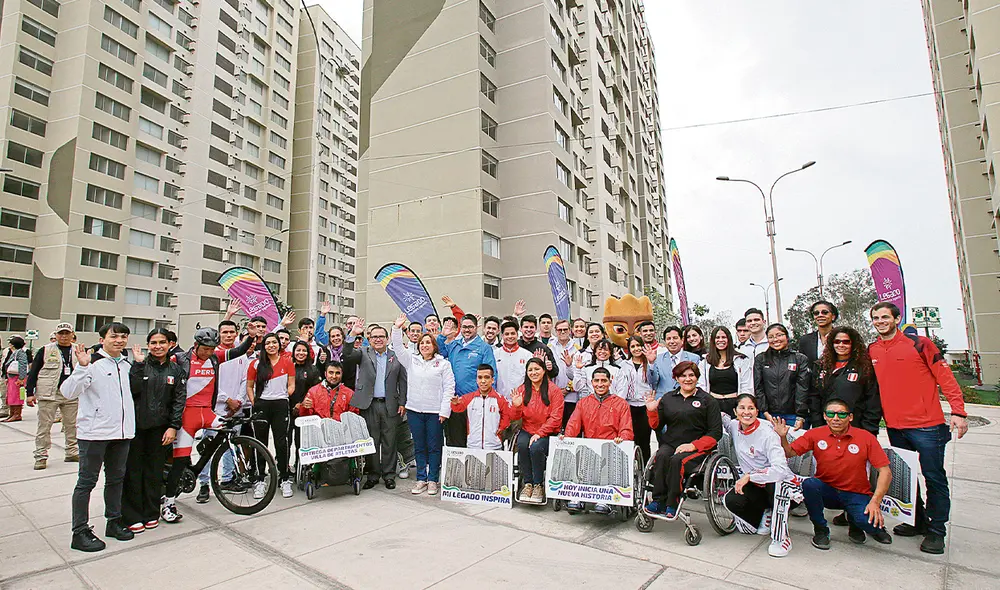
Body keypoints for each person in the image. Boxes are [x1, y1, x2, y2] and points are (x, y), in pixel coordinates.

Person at [868, 302, 967, 554]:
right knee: (907, 479)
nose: (880, 321)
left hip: (927, 427)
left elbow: (945, 377)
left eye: (884, 317)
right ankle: (918, 521)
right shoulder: (873, 349)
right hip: (895, 426)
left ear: (897, 318)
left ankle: (937, 531)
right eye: (875, 318)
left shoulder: (920, 344)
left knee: (934, 478)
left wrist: (957, 411)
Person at [773, 399, 893, 549]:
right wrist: (783, 437)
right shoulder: (815, 434)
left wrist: (875, 501)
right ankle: (821, 530)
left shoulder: (866, 437)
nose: (836, 418)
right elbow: (790, 453)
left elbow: (885, 471)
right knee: (810, 484)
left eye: (841, 414)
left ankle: (856, 524)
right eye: (831, 413)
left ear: (850, 417)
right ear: (825, 416)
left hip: (856, 493)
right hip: (828, 491)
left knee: (870, 524)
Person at [163, 327, 253, 522]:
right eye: (205, 349)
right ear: (196, 345)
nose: (209, 353)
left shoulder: (214, 359)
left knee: (228, 429)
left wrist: (251, 336)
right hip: (186, 416)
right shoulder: (180, 359)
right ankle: (168, 503)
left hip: (207, 412)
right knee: (179, 462)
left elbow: (238, 351)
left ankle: (207, 467)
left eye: (212, 349)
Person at [61, 322, 135, 552]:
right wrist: (82, 367)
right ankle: (80, 531)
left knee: (116, 479)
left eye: (123, 336)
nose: (119, 340)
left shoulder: (126, 364)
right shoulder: (92, 364)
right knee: (86, 482)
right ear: (102, 339)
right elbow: (68, 392)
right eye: (114, 336)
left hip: (121, 433)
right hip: (94, 434)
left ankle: (113, 521)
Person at [721, 394, 799, 557]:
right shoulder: (734, 426)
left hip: (783, 487)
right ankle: (767, 512)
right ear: (735, 411)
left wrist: (751, 476)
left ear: (757, 411)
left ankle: (781, 538)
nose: (746, 412)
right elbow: (720, 416)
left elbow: (780, 470)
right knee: (731, 500)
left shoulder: (767, 433)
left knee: (777, 486)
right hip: (757, 487)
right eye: (742, 408)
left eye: (751, 408)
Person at [123, 330, 185, 534]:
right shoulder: (139, 366)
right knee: (133, 472)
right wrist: (139, 365)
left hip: (161, 429)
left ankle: (151, 513)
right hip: (137, 428)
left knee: (154, 472)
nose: (157, 346)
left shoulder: (176, 370)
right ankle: (132, 515)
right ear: (147, 344)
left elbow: (178, 401)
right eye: (153, 342)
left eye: (162, 342)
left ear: (170, 344)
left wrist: (173, 427)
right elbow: (132, 390)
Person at [644, 361, 722, 517]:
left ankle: (672, 502)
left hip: (698, 447)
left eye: (691, 375)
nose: (688, 379)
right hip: (672, 443)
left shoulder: (708, 400)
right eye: (683, 376)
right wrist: (651, 411)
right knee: (661, 456)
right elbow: (657, 426)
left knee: (676, 461)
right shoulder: (668, 398)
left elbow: (715, 433)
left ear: (697, 377)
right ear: (676, 378)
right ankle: (658, 500)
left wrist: (693, 446)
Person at [391, 314, 454, 495]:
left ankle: (433, 479)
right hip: (414, 411)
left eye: (428, 342)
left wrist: (444, 411)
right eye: (422, 343)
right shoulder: (412, 360)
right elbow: (397, 348)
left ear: (434, 346)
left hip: (435, 412)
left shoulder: (443, 364)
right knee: (419, 446)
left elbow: (449, 388)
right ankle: (421, 478)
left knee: (434, 446)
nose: (425, 345)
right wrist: (397, 329)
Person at [344, 325, 408, 490]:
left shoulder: (396, 356)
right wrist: (352, 334)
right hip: (369, 405)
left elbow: (403, 381)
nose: (378, 339)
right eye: (374, 337)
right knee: (372, 441)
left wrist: (402, 402)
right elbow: (347, 354)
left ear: (387, 339)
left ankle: (388, 475)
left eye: (381, 336)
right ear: (369, 339)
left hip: (390, 405)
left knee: (389, 442)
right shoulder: (363, 353)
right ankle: (373, 475)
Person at [562, 367, 634, 513]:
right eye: (596, 381)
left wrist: (623, 439)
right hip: (589, 445)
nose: (600, 384)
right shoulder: (583, 403)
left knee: (609, 460)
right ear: (591, 382)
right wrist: (566, 437)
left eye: (604, 381)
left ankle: (605, 497)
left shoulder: (621, 404)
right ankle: (579, 495)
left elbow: (626, 428)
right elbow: (573, 424)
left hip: (611, 446)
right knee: (578, 455)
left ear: (610, 381)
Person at [247, 333, 296, 499]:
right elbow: (249, 386)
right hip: (262, 405)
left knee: (281, 443)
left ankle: (284, 478)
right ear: (264, 346)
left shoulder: (287, 362)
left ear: (279, 344)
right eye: (268, 343)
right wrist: (255, 401)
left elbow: (291, 384)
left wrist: (283, 396)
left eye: (274, 342)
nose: (271, 345)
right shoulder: (255, 364)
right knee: (259, 443)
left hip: (280, 405)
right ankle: (260, 479)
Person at [26, 322, 80, 468]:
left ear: (72, 335)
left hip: (71, 394)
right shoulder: (45, 350)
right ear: (56, 335)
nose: (64, 336)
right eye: (61, 333)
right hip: (49, 393)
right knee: (44, 426)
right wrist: (30, 393)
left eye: (67, 333)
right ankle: (41, 455)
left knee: (72, 425)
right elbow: (33, 373)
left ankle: (72, 452)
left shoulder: (78, 350)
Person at [437, 315, 497, 447]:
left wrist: (489, 398)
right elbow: (439, 353)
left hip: (474, 402)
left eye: (470, 327)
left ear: (476, 328)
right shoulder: (454, 345)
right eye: (464, 327)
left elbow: (491, 373)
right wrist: (442, 336)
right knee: (454, 440)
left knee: (473, 441)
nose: (467, 330)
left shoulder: (484, 348)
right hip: (454, 400)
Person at [511, 358, 564, 504]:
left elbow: (556, 418)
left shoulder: (554, 391)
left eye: (537, 369)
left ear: (544, 370)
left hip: (547, 432)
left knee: (535, 447)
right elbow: (514, 417)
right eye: (530, 370)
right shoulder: (522, 390)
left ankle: (538, 484)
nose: (533, 373)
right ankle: (527, 483)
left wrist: (540, 433)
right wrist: (516, 406)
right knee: (521, 445)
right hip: (527, 429)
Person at [811, 327, 881, 435]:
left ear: (853, 344)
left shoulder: (864, 367)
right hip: (826, 427)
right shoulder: (820, 365)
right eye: (837, 342)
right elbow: (814, 397)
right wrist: (818, 426)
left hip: (856, 427)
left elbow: (872, 400)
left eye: (846, 342)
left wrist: (869, 430)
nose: (841, 345)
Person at [754, 324, 810, 429]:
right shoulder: (761, 359)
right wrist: (764, 411)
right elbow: (758, 387)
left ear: (787, 337)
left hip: (793, 415)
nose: (775, 339)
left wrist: (800, 416)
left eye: (779, 335)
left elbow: (802, 388)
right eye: (771, 337)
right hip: (768, 415)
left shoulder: (799, 359)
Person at [450, 364, 512, 450]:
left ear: (492, 380)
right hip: (473, 445)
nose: (483, 381)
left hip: (494, 446)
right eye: (480, 377)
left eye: (486, 377)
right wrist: (455, 403)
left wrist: (501, 428)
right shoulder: (468, 398)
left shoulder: (500, 399)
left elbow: (507, 416)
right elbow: (457, 409)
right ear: (476, 380)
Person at [698, 326, 753, 417]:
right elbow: (701, 386)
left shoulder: (741, 360)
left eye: (723, 337)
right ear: (713, 340)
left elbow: (746, 386)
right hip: (713, 405)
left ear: (729, 339)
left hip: (735, 405)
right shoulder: (705, 362)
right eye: (717, 337)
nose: (720, 340)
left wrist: (743, 407)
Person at [620, 337, 654, 462]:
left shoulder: (650, 363)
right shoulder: (623, 364)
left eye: (638, 345)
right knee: (630, 439)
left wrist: (651, 363)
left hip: (645, 406)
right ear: (629, 349)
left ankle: (645, 470)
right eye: (633, 346)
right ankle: (631, 471)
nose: (636, 349)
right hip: (629, 405)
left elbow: (654, 380)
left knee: (645, 440)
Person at [644, 326, 700, 399]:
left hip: (687, 400)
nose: (672, 341)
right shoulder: (657, 358)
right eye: (668, 339)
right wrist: (651, 363)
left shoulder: (694, 358)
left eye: (675, 338)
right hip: (663, 400)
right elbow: (652, 382)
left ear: (682, 340)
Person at [288, 340, 321, 461]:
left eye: (304, 350)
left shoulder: (313, 369)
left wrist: (301, 405)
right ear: (293, 352)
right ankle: (284, 469)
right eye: (298, 350)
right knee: (286, 441)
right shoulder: (288, 367)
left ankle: (300, 466)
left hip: (304, 410)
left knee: (301, 441)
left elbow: (315, 390)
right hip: (286, 408)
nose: (301, 353)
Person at [495, 320, 534, 400]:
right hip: (500, 400)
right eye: (507, 334)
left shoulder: (527, 355)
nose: (510, 337)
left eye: (513, 333)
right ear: (502, 336)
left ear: (517, 334)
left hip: (521, 399)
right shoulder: (495, 354)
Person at [2, 336, 28, 422]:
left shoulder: (20, 353)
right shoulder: (16, 352)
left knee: (16, 396)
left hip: (17, 378)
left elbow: (23, 365)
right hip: (12, 378)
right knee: (11, 395)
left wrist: (21, 378)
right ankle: (12, 413)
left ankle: (17, 414)